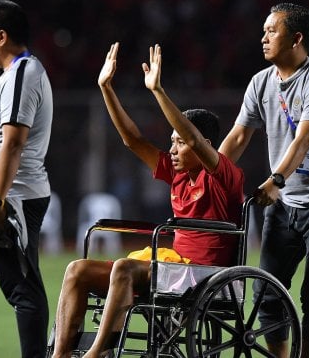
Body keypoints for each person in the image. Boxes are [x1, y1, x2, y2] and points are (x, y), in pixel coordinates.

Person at [51, 42, 244, 358]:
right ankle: (59, 355)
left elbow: (193, 137)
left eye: (179, 143)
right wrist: (106, 88)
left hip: (205, 274)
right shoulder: (177, 173)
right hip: (173, 268)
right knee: (77, 270)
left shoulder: (225, 176)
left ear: (205, 147)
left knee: (125, 268)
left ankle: (95, 354)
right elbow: (133, 140)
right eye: (172, 142)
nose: (172, 149)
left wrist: (157, 91)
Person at [218, 3, 309, 358]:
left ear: (296, 38)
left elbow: (304, 140)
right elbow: (238, 137)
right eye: (265, 30)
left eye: (272, 31)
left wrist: (275, 180)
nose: (263, 37)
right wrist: (211, 176)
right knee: (267, 294)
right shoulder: (261, 82)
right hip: (286, 204)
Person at [0, 0, 53, 358]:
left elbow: (13, 143)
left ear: (0, 36)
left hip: (14, 197)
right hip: (13, 195)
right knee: (22, 287)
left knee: (23, 289)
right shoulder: (16, 74)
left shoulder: (21, 74)